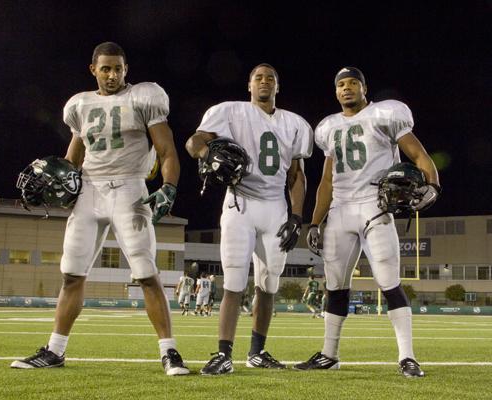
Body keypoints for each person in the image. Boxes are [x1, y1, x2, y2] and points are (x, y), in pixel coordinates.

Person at [11, 42, 189, 376]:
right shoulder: (80, 104)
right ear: (93, 69)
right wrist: (58, 180)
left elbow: (166, 150)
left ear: (126, 69)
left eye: (118, 68)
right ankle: (55, 350)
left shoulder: (143, 97)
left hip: (129, 188)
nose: (112, 75)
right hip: (90, 191)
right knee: (71, 273)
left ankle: (170, 352)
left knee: (147, 274)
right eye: (105, 68)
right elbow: (74, 155)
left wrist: (169, 187)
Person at [294, 67, 440, 378]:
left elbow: (418, 153)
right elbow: (327, 180)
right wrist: (315, 222)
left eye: (353, 84)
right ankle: (329, 354)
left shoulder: (384, 114)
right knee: (335, 288)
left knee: (389, 283)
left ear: (364, 88)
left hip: (375, 206)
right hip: (341, 210)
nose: (346, 89)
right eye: (341, 85)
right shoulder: (328, 127)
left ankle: (407, 357)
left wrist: (434, 184)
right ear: (336, 92)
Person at [186, 63, 313, 374]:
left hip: (275, 209)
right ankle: (223, 354)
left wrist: (297, 216)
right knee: (233, 281)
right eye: (259, 77)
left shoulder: (295, 123)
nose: (265, 82)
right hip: (239, 204)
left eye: (271, 78)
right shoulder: (229, 111)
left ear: (277, 87)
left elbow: (297, 175)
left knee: (269, 285)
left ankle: (257, 352)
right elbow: (193, 142)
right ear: (249, 85)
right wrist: (207, 155)